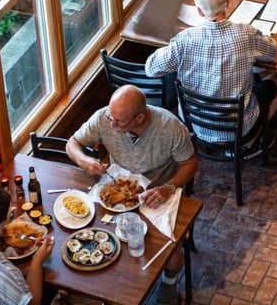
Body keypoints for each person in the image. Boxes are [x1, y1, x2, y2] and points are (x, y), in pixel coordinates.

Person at [67, 84, 198, 304]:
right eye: (111, 117)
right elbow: (73, 143)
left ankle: (168, 283)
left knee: (171, 255)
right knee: (93, 238)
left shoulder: (170, 127)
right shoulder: (104, 118)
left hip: (159, 193)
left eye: (118, 122)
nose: (111, 125)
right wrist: (85, 160)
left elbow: (191, 164)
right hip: (117, 188)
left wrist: (169, 188)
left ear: (140, 117)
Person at [145, 0, 277, 147]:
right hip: (238, 126)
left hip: (196, 124)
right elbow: (272, 52)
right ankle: (250, 142)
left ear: (199, 11)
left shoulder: (184, 40)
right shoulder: (246, 35)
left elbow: (151, 69)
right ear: (226, 2)